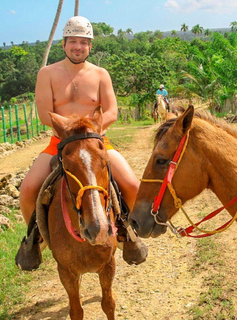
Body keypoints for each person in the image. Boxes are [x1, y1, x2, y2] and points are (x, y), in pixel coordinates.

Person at [16, 16, 148, 270]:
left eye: (83, 42)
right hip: (60, 142)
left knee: (132, 184)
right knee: (29, 188)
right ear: (64, 44)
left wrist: (89, 130)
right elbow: (45, 114)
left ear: (90, 46)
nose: (78, 47)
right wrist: (72, 130)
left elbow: (111, 112)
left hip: (98, 141)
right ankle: (37, 237)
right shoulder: (47, 73)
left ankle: (127, 233)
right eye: (73, 41)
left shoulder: (100, 74)